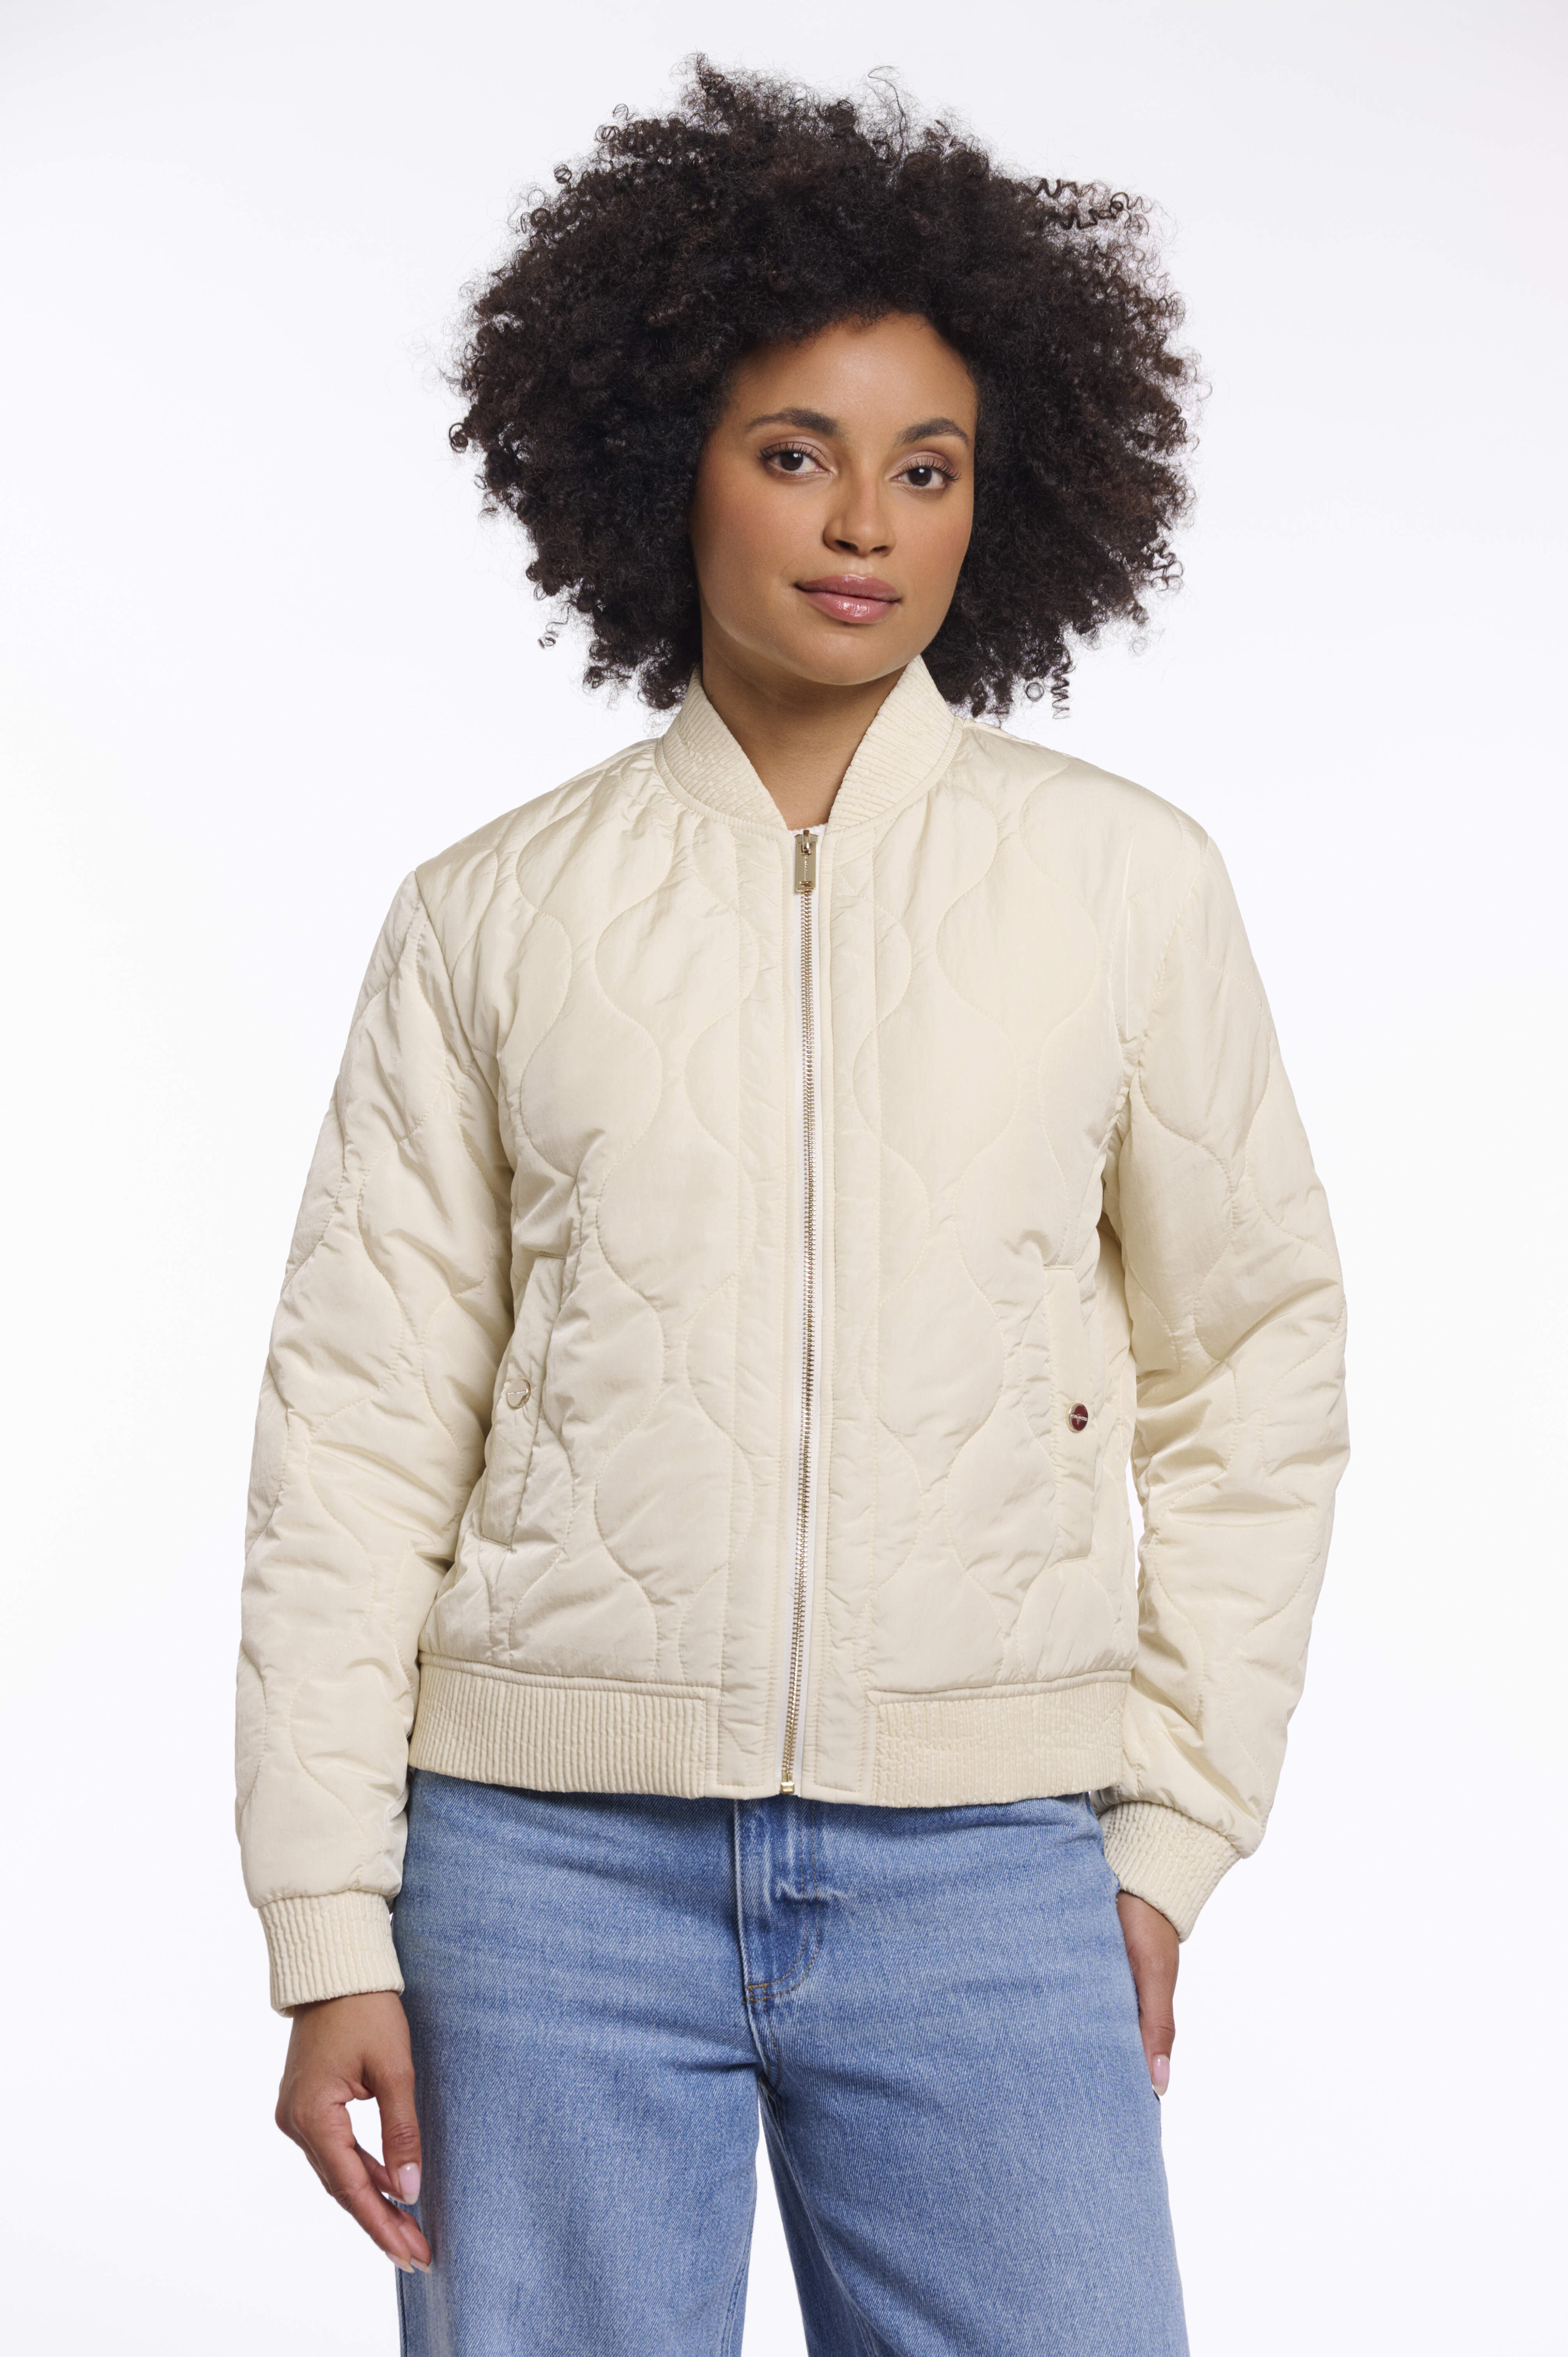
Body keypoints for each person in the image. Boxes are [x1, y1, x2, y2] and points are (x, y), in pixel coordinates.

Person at [238, 62, 1349, 2357]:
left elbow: (1254, 1369)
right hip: (539, 1868)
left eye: (926, 466)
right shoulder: (489, 916)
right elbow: (355, 1432)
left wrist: (1166, 1837)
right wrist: (328, 1920)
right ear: (669, 466)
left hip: (986, 1860)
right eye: (794, 453)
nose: (864, 524)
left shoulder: (1124, 886)